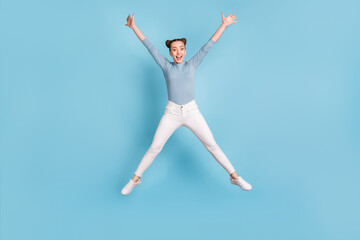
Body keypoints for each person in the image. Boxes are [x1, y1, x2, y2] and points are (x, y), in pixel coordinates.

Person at [121, 12, 252, 196]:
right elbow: (149, 47)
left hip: (192, 112)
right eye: (174, 49)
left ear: (185, 50)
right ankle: (135, 179)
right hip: (172, 113)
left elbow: (209, 45)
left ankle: (235, 177)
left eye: (181, 48)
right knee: (155, 147)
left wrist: (224, 25)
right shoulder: (166, 66)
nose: (178, 52)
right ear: (169, 52)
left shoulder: (192, 64)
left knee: (212, 145)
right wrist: (134, 27)